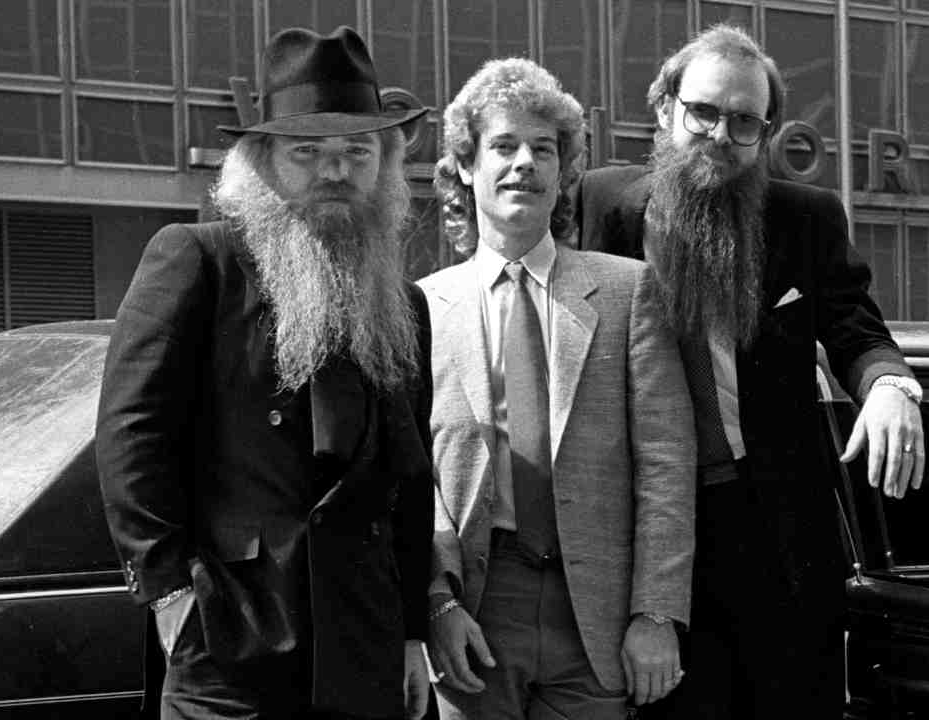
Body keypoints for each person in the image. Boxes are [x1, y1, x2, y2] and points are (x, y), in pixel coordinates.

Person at [575, 24, 926, 719]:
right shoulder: (600, 205)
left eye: (743, 122)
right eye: (703, 111)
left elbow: (855, 324)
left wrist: (890, 387)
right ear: (665, 107)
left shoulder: (806, 219)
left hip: (774, 542)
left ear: (763, 136)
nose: (718, 134)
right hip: (644, 535)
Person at [95, 26, 433, 720]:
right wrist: (168, 597)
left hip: (362, 645)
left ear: (386, 164)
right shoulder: (197, 262)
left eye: (356, 152)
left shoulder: (407, 304)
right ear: (263, 162)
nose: (335, 170)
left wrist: (411, 633)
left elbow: (408, 480)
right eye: (307, 152)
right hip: (231, 643)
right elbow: (130, 438)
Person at [420, 58, 697, 720]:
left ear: (565, 170)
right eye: (504, 146)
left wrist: (656, 613)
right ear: (466, 165)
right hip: (478, 610)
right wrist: (437, 603)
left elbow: (666, 463)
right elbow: (412, 472)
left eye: (543, 149)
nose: (525, 164)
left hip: (595, 615)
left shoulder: (630, 291)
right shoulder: (422, 307)